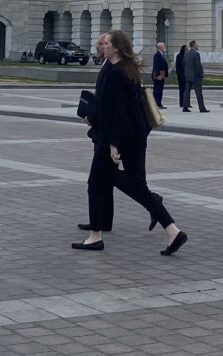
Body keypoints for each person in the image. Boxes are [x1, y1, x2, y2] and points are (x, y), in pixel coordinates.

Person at [75, 29, 188, 257]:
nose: (101, 46)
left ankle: (95, 237)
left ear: (116, 47)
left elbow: (114, 112)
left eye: (105, 43)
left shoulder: (115, 73)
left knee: (95, 183)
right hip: (135, 137)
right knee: (138, 187)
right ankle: (174, 231)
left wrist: (113, 144)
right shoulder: (128, 71)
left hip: (118, 138)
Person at [184, 40, 208, 112]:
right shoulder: (196, 54)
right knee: (199, 93)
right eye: (197, 44)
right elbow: (198, 65)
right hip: (195, 76)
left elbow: (184, 64)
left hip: (188, 75)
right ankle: (202, 108)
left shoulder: (186, 53)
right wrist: (201, 73)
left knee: (187, 92)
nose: (198, 45)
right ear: (194, 45)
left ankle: (185, 107)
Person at [151, 42, 169, 110]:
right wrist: (158, 74)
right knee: (157, 89)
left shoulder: (162, 55)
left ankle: (159, 103)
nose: (165, 47)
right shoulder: (157, 55)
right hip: (158, 74)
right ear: (160, 47)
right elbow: (156, 66)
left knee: (160, 89)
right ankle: (156, 103)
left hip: (162, 73)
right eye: (163, 46)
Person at [175, 44, 189, 111]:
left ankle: (186, 103)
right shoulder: (179, 56)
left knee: (187, 90)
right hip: (181, 76)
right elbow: (177, 66)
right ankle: (182, 103)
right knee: (182, 90)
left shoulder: (187, 56)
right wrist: (179, 74)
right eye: (186, 49)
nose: (187, 50)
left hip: (187, 75)